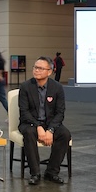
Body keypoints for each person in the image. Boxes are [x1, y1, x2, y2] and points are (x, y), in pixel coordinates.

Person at [18, 56, 71, 185]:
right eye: (35, 67)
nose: (37, 70)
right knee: (29, 133)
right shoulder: (25, 87)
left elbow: (60, 112)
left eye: (41, 68)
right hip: (30, 123)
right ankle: (35, 173)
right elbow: (24, 112)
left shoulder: (57, 87)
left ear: (49, 72)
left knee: (64, 134)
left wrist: (50, 129)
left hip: (50, 123)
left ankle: (52, 172)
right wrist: (38, 126)